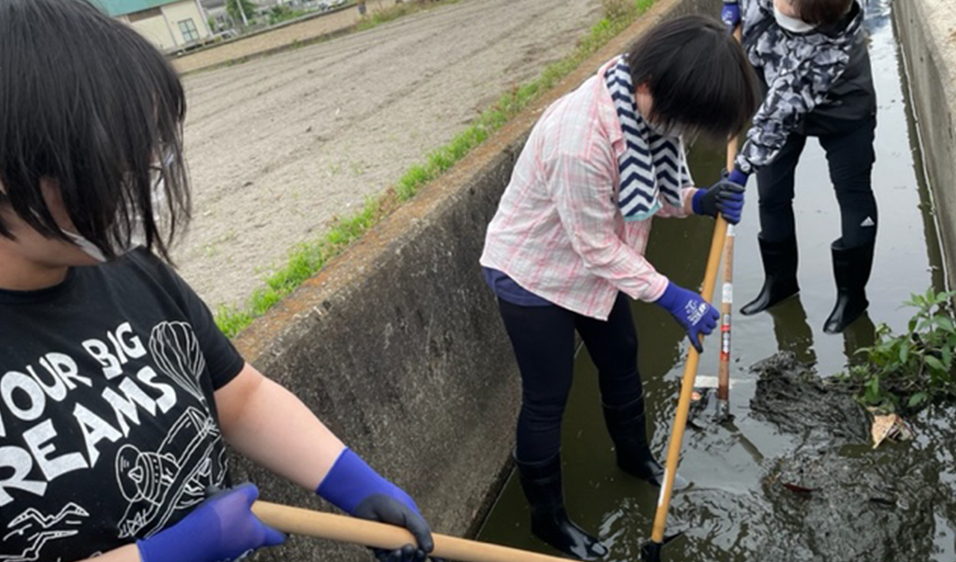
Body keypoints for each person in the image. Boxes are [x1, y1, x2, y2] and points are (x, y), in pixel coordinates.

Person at [0, 2, 440, 561]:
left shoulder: (132, 274)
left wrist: (355, 484)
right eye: (112, 159)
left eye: (152, 153)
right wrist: (168, 553)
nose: (144, 182)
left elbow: (241, 397)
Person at [479, 16, 759, 560]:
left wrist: (697, 200)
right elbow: (598, 248)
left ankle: (635, 458)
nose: (680, 132)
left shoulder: (644, 109)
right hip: (533, 273)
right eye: (682, 119)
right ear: (652, 85)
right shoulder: (580, 141)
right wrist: (674, 296)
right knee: (547, 397)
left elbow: (657, 188)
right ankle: (548, 519)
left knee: (622, 356)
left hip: (593, 265)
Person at [721, 0, 878, 333]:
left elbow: (776, 119)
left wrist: (740, 171)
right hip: (776, 90)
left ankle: (852, 298)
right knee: (772, 195)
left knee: (853, 195)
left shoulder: (828, 51)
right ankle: (780, 284)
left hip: (843, 106)